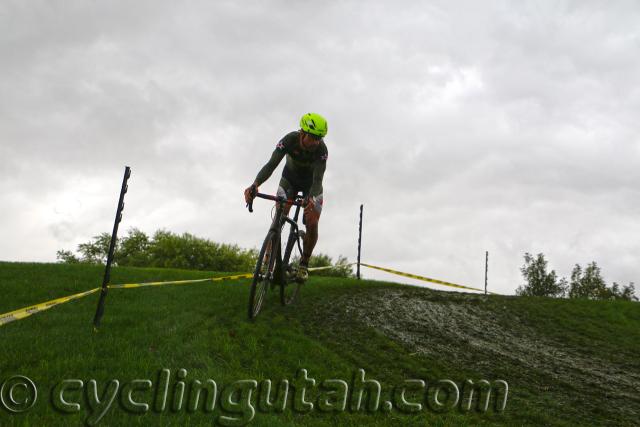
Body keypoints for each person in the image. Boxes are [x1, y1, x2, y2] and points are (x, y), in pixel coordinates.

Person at [244, 112, 329, 282]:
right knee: (279, 216)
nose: (316, 142)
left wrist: (311, 200)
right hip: (289, 180)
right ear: (303, 133)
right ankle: (267, 259)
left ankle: (304, 265)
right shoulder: (289, 140)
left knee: (312, 221)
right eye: (313, 137)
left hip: (311, 186)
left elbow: (318, 179)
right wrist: (255, 184)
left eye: (319, 138)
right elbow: (271, 165)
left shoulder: (321, 150)